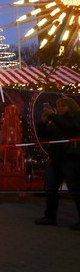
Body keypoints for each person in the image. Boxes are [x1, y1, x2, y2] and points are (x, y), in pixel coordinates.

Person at [34, 97, 80, 229]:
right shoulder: (56, 121)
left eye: (63, 106)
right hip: (55, 159)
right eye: (58, 106)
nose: (60, 109)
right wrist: (43, 122)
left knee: (75, 190)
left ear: (70, 107)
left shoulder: (75, 118)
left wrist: (52, 116)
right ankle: (50, 216)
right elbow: (45, 134)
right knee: (50, 189)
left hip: (71, 159)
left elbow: (69, 127)